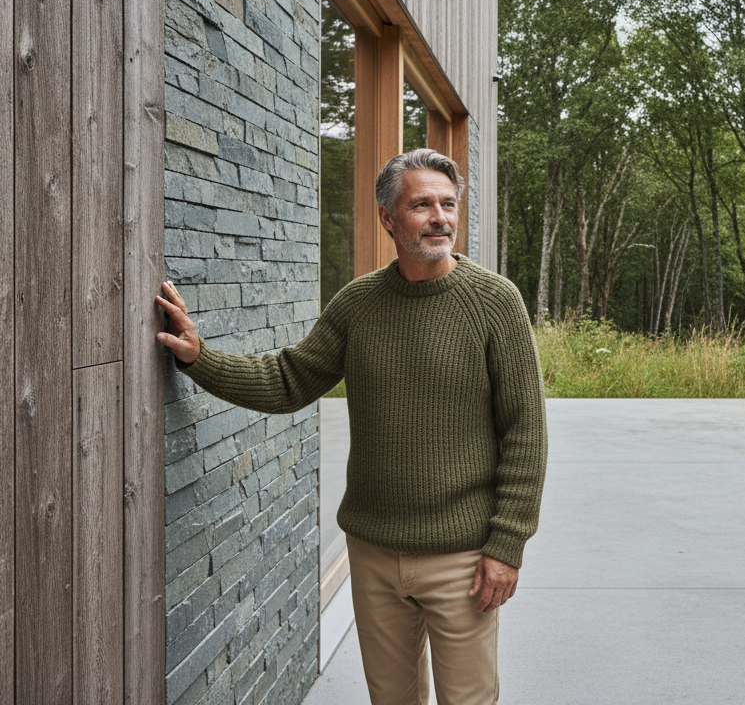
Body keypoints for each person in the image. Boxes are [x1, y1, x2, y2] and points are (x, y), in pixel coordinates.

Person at [156, 148, 548, 705]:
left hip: (461, 558)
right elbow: (291, 378)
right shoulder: (358, 304)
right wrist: (201, 359)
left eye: (448, 203)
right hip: (371, 552)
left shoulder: (495, 302)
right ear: (389, 217)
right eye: (422, 205)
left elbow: (525, 432)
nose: (440, 217)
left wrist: (507, 545)